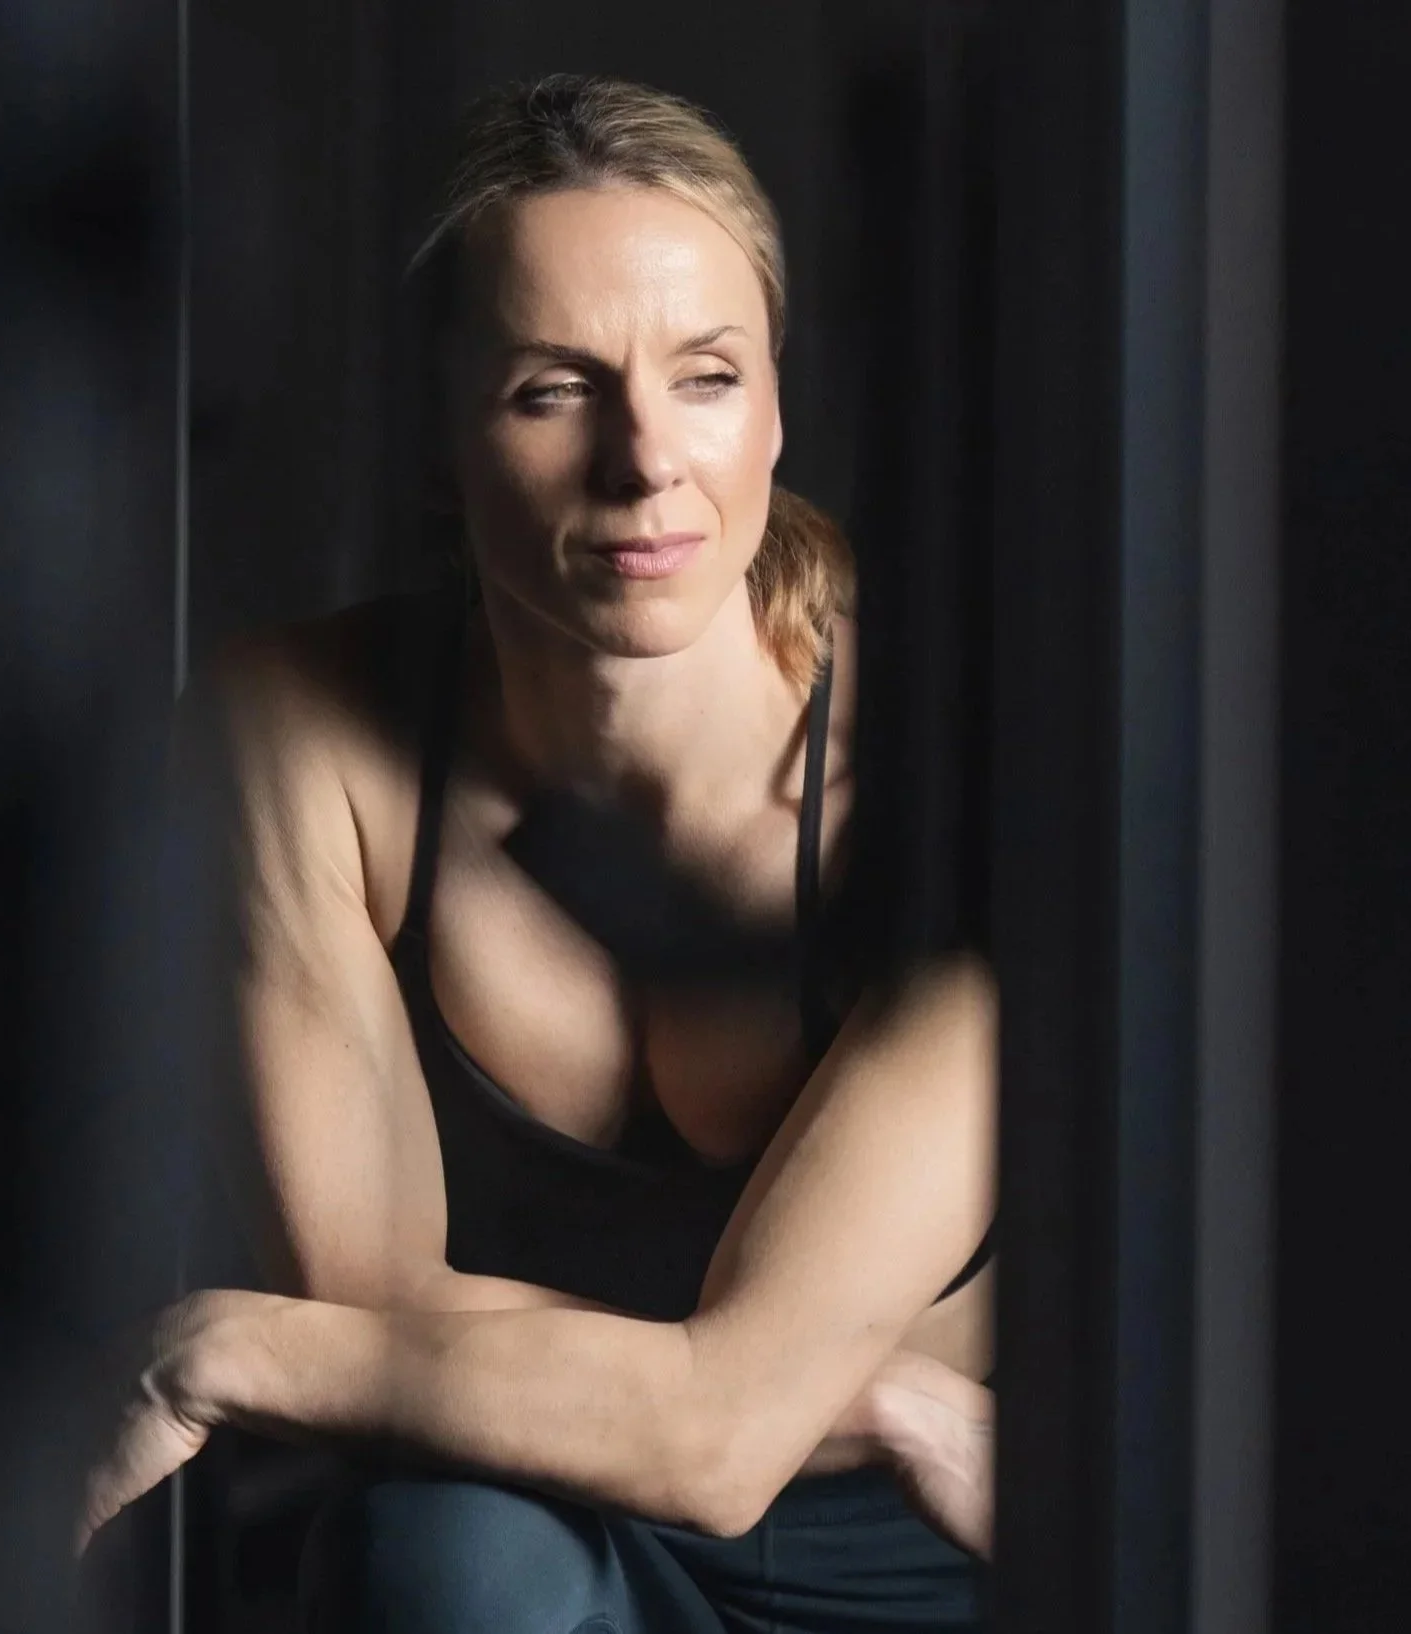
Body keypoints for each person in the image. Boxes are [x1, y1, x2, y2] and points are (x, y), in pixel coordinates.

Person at [82, 73, 998, 1631]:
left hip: (925, 1530)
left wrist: (220, 1350)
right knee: (435, 1557)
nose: (644, 461)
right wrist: (867, 1387)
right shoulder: (298, 735)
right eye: (551, 390)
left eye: (704, 377)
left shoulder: (935, 779)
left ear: (775, 403)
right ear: (438, 438)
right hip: (554, 1504)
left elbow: (705, 1441)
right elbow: (377, 1317)